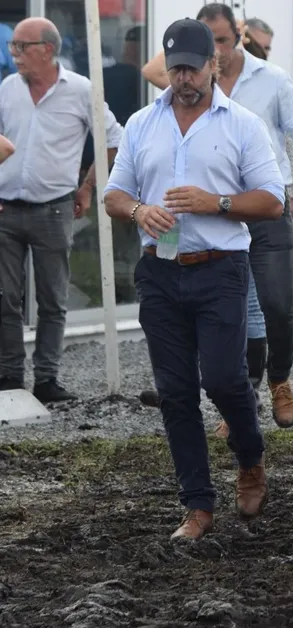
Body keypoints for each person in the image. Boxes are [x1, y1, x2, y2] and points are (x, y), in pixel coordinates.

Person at [103, 18, 286, 541]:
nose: (183, 78)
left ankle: (250, 458)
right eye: (175, 68)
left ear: (215, 64)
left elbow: (273, 201)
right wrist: (139, 211)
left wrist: (217, 203)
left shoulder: (242, 124)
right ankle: (198, 506)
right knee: (176, 392)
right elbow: (116, 195)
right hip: (159, 272)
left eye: (192, 67)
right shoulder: (142, 122)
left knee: (225, 380)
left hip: (220, 269)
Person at [141, 4, 293, 430]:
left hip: (265, 207)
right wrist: (191, 44)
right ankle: (242, 397)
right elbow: (151, 67)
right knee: (235, 308)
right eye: (210, 43)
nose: (219, 51)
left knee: (278, 303)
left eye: (224, 40)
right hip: (212, 218)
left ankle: (279, 378)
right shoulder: (186, 85)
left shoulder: (273, 81)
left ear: (240, 34)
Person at [0, 17, 123, 403]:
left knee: (52, 299)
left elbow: (113, 140)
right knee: (5, 297)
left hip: (54, 209)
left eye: (21, 46)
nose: (13, 53)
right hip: (6, 209)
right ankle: (9, 377)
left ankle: (47, 380)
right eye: (13, 47)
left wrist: (86, 187)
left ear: (47, 50)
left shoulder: (82, 90)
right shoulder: (7, 88)